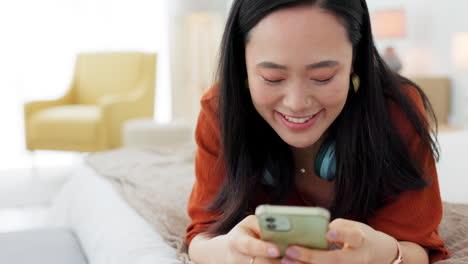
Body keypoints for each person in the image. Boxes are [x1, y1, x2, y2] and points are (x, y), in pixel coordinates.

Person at [186, 0, 450, 263]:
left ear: (354, 62)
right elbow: (202, 236)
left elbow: (417, 246)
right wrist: (231, 253)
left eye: (323, 77)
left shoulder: (397, 110)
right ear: (242, 65)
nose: (296, 103)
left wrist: (380, 254)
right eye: (272, 78)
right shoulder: (221, 110)